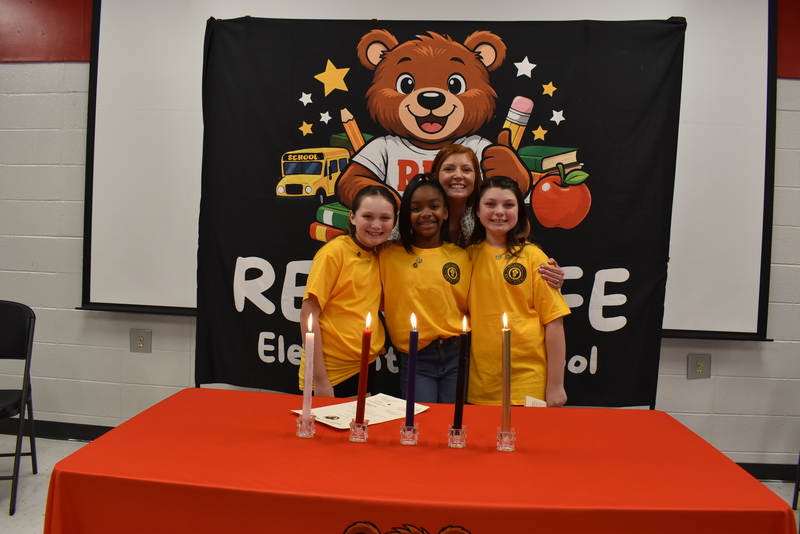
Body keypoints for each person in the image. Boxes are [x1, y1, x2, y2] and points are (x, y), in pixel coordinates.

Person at [466, 176, 571, 407]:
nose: (499, 212)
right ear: (477, 211)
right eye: (490, 204)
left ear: (519, 211)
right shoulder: (467, 257)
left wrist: (556, 385)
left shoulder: (534, 257)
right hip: (481, 387)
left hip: (528, 384)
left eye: (508, 205)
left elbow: (554, 321)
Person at [298, 185, 398, 398]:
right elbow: (308, 314)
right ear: (352, 217)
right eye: (368, 217)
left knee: (360, 421)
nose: (376, 225)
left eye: (385, 218)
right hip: (331, 373)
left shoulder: (381, 254)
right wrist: (321, 380)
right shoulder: (333, 254)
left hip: (365, 366)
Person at [380, 174, 471, 404]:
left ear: (445, 212)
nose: (426, 213)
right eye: (416, 208)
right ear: (406, 215)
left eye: (434, 206)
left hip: (456, 352)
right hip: (416, 357)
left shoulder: (461, 256)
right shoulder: (388, 255)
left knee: (453, 420)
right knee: (419, 419)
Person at [430, 143, 565, 289]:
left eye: (466, 170)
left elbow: (518, 260)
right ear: (435, 176)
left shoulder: (488, 217)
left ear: (476, 177)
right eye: (449, 169)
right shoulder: (419, 218)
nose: (458, 175)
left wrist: (546, 274)